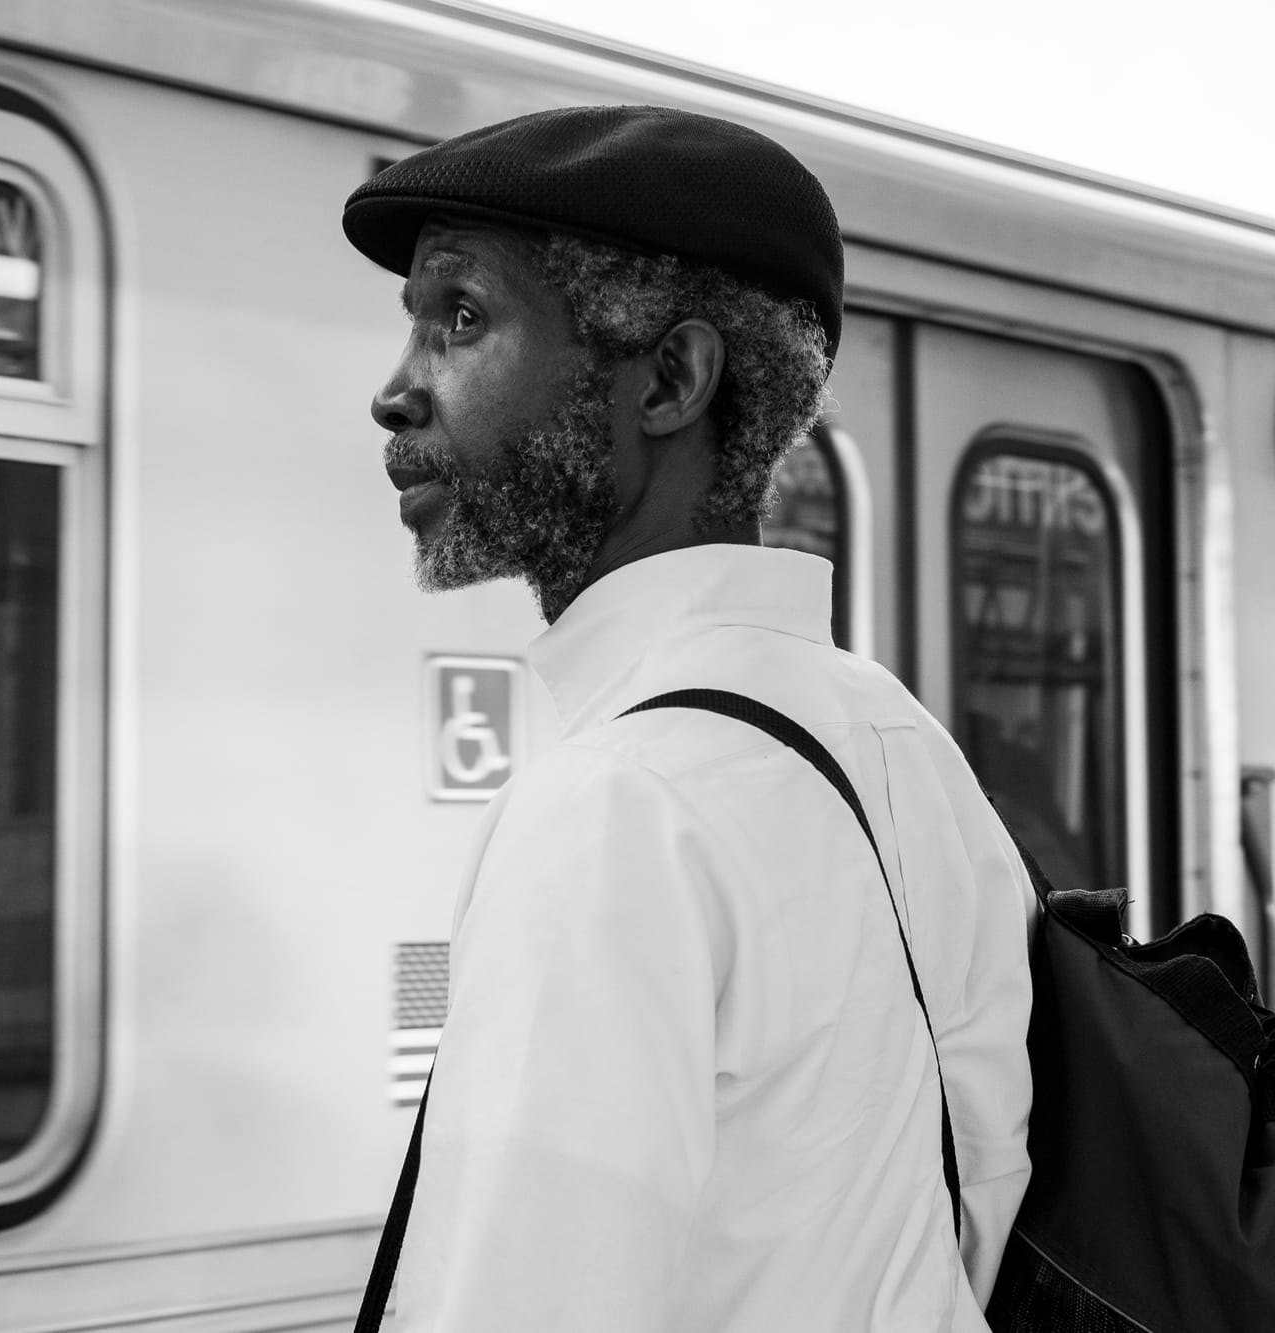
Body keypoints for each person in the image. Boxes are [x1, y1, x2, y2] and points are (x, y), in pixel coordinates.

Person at [343, 107, 1036, 1330]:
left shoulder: (614, 805)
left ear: (668, 381)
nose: (395, 393)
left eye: (461, 318)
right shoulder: (903, 748)